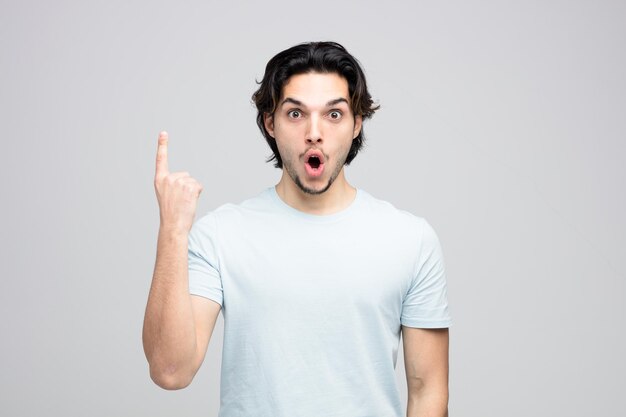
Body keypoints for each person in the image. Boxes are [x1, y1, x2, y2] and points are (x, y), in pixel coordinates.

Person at [143, 41, 451, 417]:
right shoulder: (221, 235)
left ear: (357, 124)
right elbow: (170, 370)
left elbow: (428, 392)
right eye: (295, 114)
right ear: (270, 123)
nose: (314, 133)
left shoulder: (411, 240)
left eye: (334, 114)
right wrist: (173, 231)